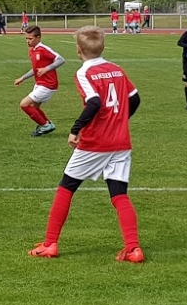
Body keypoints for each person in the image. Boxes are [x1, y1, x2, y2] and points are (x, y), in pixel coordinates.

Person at [27, 25, 143, 262]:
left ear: (78, 50)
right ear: (103, 47)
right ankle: (133, 249)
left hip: (95, 142)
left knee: (66, 187)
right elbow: (135, 99)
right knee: (119, 195)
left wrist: (75, 130)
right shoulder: (117, 69)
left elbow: (94, 102)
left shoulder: (84, 73)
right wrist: (119, 121)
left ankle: (50, 244)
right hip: (121, 142)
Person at [14, 26, 64, 137]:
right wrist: (22, 78)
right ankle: (48, 124)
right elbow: (35, 68)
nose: (27, 41)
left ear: (38, 38)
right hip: (40, 83)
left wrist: (46, 69)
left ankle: (45, 126)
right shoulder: (32, 50)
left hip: (48, 85)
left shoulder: (43, 49)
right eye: (26, 38)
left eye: (30, 38)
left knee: (24, 104)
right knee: (34, 107)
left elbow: (61, 60)